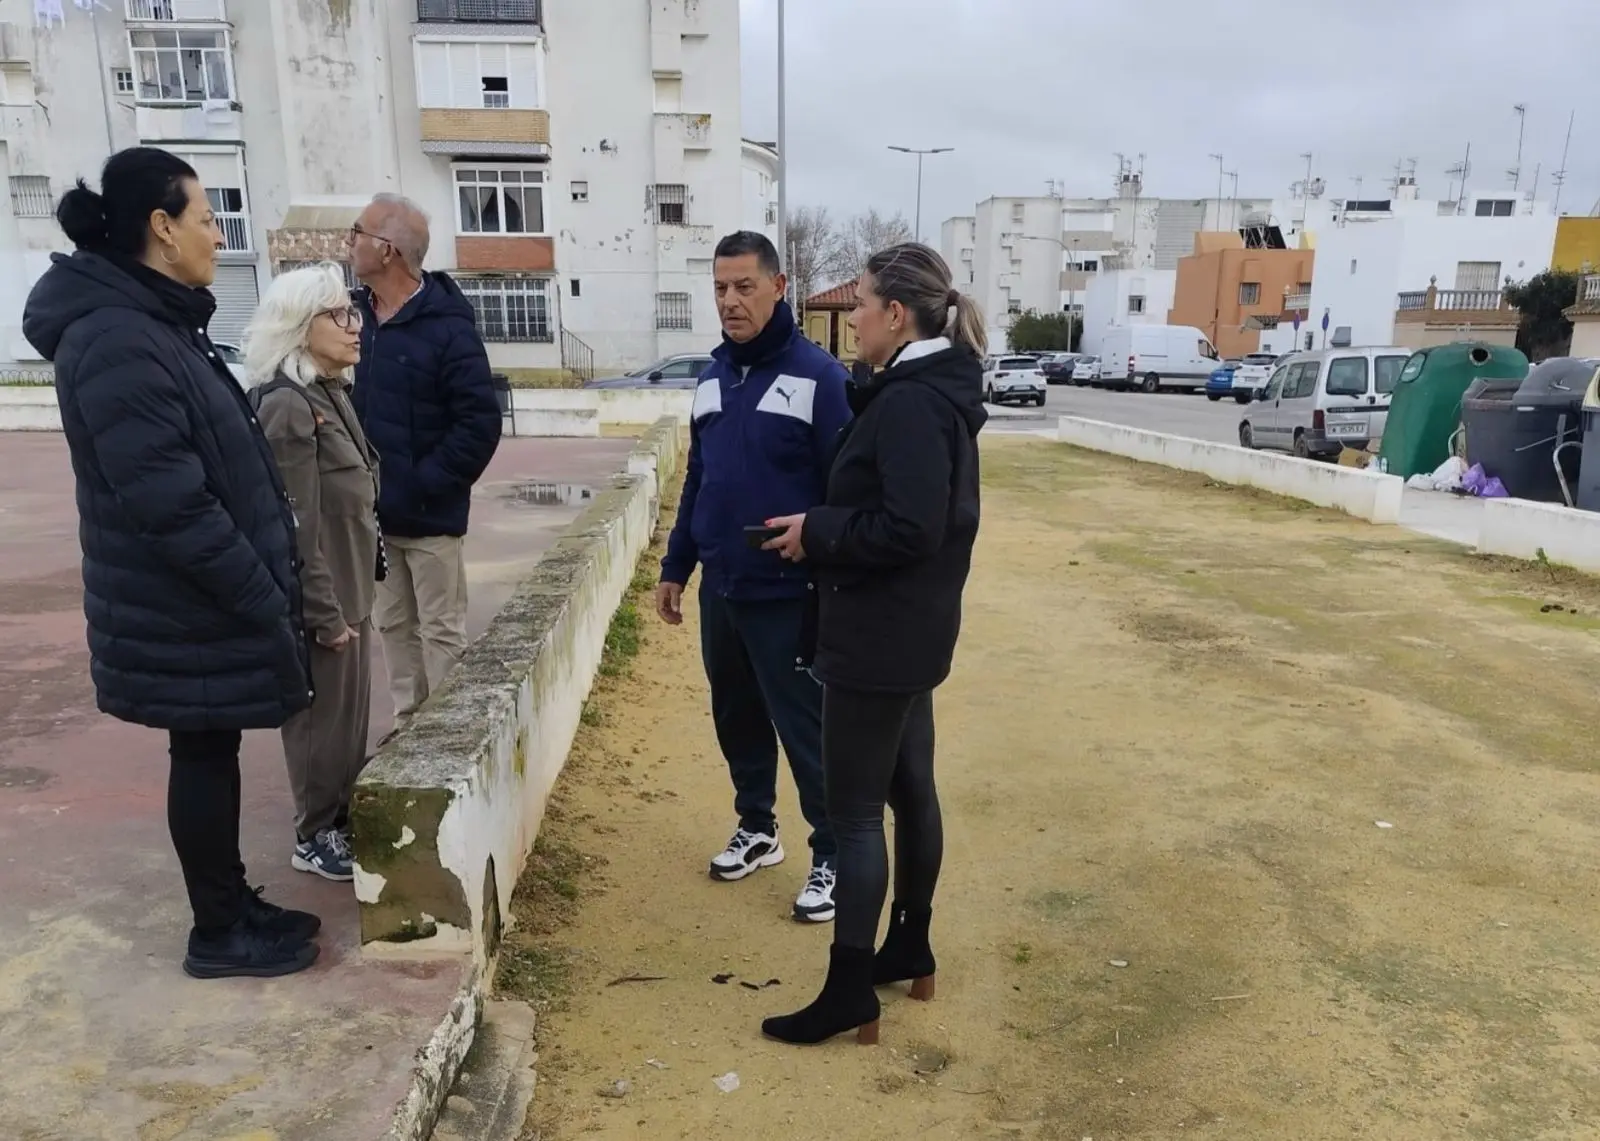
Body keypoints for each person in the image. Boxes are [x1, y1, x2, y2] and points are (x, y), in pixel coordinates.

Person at [22, 147, 320, 979]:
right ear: (162, 227)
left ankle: (230, 904)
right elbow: (171, 505)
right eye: (206, 218)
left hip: (194, 597)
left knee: (209, 747)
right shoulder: (117, 338)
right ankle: (217, 931)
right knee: (200, 751)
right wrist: (259, 591)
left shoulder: (155, 322)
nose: (217, 236)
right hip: (181, 601)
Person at [758, 243, 987, 1045]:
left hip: (878, 636)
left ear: (896, 313)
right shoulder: (924, 391)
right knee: (910, 790)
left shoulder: (913, 403)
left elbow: (911, 526)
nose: (850, 318)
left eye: (859, 304)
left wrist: (817, 531)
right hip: (909, 631)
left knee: (855, 814)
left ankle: (851, 988)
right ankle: (908, 946)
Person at [655, 231, 851, 922]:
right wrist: (677, 565)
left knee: (805, 728)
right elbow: (699, 478)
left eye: (744, 286)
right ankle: (758, 827)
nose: (730, 301)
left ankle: (834, 852)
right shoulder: (712, 376)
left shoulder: (821, 378)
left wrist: (818, 542)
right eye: (720, 288)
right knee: (735, 714)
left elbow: (845, 489)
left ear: (778, 286)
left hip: (788, 593)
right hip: (724, 589)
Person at [244, 265, 380, 883]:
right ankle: (314, 832)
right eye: (339, 315)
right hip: (322, 597)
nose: (355, 326)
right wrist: (322, 611)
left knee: (349, 723)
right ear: (300, 326)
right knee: (319, 726)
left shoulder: (329, 393)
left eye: (353, 312)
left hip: (352, 588)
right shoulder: (288, 406)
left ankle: (338, 818)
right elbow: (293, 524)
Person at [347, 194, 501, 726]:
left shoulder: (449, 327)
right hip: (374, 519)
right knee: (392, 625)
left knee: (440, 632)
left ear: (387, 250)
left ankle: (447, 737)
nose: (350, 242)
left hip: (430, 517)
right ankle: (408, 728)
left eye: (358, 232)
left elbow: (479, 424)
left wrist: (421, 484)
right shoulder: (353, 319)